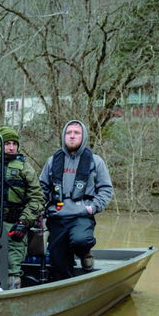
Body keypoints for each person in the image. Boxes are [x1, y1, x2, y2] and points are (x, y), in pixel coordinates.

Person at [39, 120, 113, 280]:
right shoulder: (53, 161)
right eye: (68, 133)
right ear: (64, 136)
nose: (72, 136)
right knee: (59, 265)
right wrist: (38, 211)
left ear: (83, 136)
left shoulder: (95, 161)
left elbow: (106, 189)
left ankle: (84, 252)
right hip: (57, 217)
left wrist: (92, 208)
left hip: (81, 215)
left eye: (76, 133)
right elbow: (41, 189)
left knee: (81, 240)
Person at [0, 126, 45, 290]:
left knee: (12, 268)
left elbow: (37, 199)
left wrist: (24, 222)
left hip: (14, 225)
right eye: (7, 143)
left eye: (14, 144)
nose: (11, 147)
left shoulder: (25, 168)